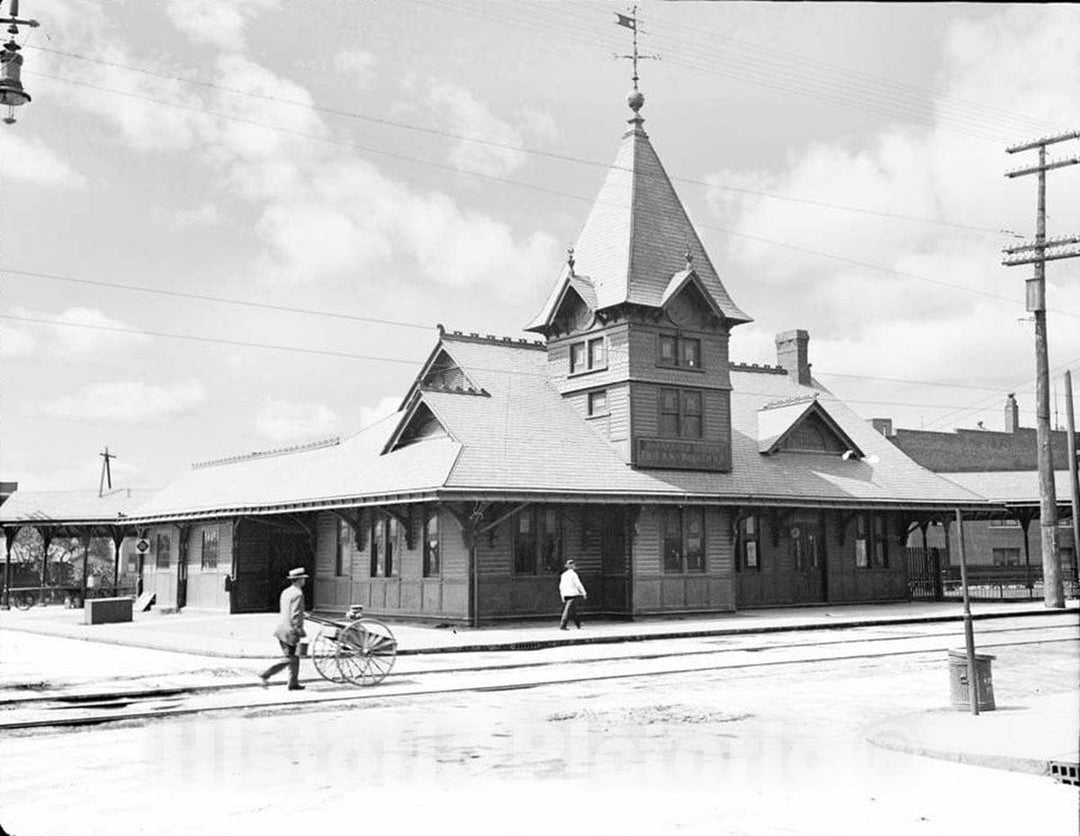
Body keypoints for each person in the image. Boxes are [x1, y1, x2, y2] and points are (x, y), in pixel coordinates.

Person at [258, 567, 308, 690]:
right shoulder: (298, 594)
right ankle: (265, 674)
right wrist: (299, 630)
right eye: (303, 579)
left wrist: (303, 614)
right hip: (290, 631)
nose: (305, 581)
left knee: (294, 657)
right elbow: (295, 615)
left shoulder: (286, 592)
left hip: (282, 628)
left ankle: (293, 683)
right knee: (289, 658)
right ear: (299, 580)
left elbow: (288, 610)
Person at [558, 559, 587, 630]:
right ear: (573, 566)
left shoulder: (563, 575)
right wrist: (584, 592)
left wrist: (562, 595)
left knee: (572, 610)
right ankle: (563, 625)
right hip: (572, 594)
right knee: (567, 610)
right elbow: (578, 584)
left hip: (566, 594)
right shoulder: (573, 575)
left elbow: (561, 586)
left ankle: (578, 624)